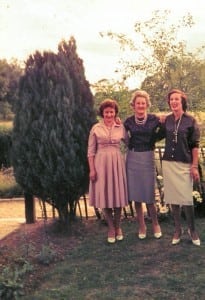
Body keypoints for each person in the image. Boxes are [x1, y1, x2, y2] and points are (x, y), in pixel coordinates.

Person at [162, 89, 201, 246]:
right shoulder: (167, 120)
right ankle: (177, 230)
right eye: (171, 99)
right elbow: (151, 132)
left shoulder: (190, 121)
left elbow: (195, 145)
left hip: (184, 163)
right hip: (169, 164)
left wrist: (194, 166)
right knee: (173, 199)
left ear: (182, 101)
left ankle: (192, 230)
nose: (173, 102)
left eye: (176, 99)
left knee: (186, 199)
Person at [124, 90, 164, 240]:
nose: (140, 105)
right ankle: (141, 226)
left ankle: (155, 224)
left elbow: (164, 130)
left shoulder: (154, 119)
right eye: (137, 103)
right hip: (133, 157)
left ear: (147, 104)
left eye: (143, 103)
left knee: (149, 194)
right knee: (136, 195)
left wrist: (154, 140)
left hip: (148, 156)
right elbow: (122, 136)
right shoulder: (128, 121)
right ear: (133, 105)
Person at [87, 98, 128, 244]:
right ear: (102, 113)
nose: (109, 115)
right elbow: (91, 151)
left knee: (118, 197)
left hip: (117, 163)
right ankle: (110, 228)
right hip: (101, 164)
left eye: (111, 112)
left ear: (115, 112)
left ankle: (118, 227)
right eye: (106, 112)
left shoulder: (120, 127)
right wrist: (92, 169)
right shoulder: (96, 128)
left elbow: (129, 143)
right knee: (104, 197)